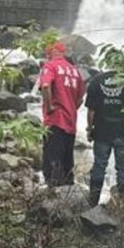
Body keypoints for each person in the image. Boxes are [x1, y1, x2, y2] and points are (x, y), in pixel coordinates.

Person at [86, 67, 124, 205]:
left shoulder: (96, 82)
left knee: (99, 166)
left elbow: (91, 110)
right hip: (123, 131)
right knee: (123, 168)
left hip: (102, 132)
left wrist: (90, 129)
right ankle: (123, 203)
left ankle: (93, 203)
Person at [39, 41, 86, 186]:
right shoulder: (75, 71)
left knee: (52, 160)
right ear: (63, 53)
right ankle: (68, 194)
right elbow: (80, 99)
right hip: (70, 122)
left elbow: (46, 86)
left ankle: (53, 194)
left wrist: (49, 107)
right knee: (67, 162)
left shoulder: (50, 66)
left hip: (55, 120)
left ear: (49, 54)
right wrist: (70, 108)